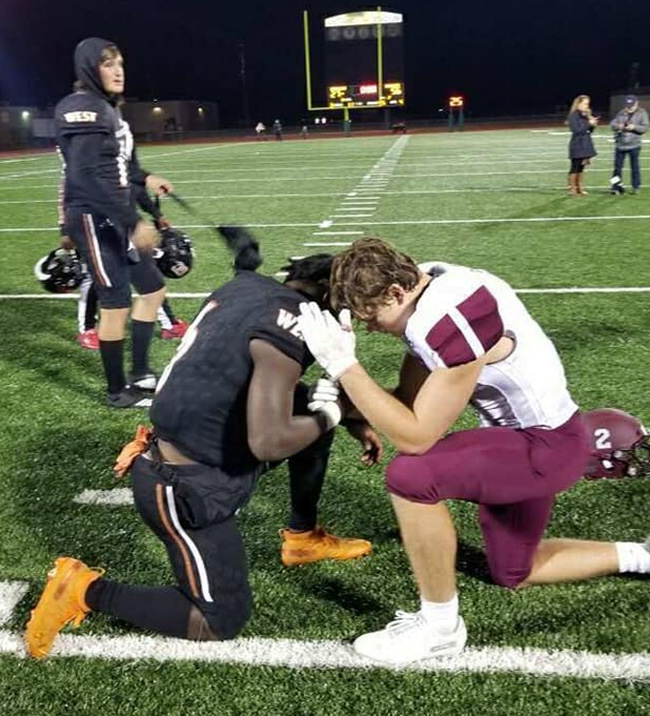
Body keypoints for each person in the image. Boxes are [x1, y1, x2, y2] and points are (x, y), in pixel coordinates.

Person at [297, 237, 650, 666]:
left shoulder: (454, 317)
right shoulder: (425, 285)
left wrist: (346, 368)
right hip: (528, 444)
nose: (371, 327)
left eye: (373, 317)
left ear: (394, 293)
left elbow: (415, 436)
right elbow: (407, 402)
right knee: (514, 571)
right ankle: (642, 556)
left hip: (541, 448)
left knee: (411, 475)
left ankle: (440, 628)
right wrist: (349, 404)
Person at [25, 244, 381, 659]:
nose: (349, 318)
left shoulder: (248, 288)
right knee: (217, 620)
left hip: (192, 440)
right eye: (348, 306)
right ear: (325, 291)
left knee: (310, 418)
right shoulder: (289, 325)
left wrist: (351, 419)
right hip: (185, 484)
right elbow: (268, 442)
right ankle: (83, 588)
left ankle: (302, 537)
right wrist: (332, 414)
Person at [55, 37, 174, 408]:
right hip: (92, 216)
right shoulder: (80, 108)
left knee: (153, 290)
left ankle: (141, 372)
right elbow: (85, 176)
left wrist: (148, 181)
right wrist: (132, 222)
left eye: (120, 62)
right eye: (108, 63)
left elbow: (124, 168)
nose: (118, 70)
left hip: (117, 215)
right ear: (90, 68)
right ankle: (116, 391)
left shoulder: (110, 110)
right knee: (116, 302)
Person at [609, 94, 649, 195]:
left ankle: (636, 186)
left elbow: (644, 128)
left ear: (636, 103)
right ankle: (615, 187)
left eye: (631, 104)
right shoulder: (621, 113)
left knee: (635, 167)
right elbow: (612, 125)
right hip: (620, 144)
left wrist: (634, 127)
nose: (629, 106)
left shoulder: (642, 113)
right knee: (617, 168)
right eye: (628, 104)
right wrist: (619, 126)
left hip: (634, 145)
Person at [567, 95, 598, 196]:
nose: (586, 106)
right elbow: (576, 130)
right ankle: (572, 189)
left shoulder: (585, 115)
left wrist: (593, 124)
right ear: (578, 103)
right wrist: (588, 123)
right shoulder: (573, 115)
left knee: (581, 167)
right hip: (577, 144)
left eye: (587, 104)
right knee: (575, 167)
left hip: (586, 144)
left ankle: (580, 187)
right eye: (585, 103)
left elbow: (588, 131)